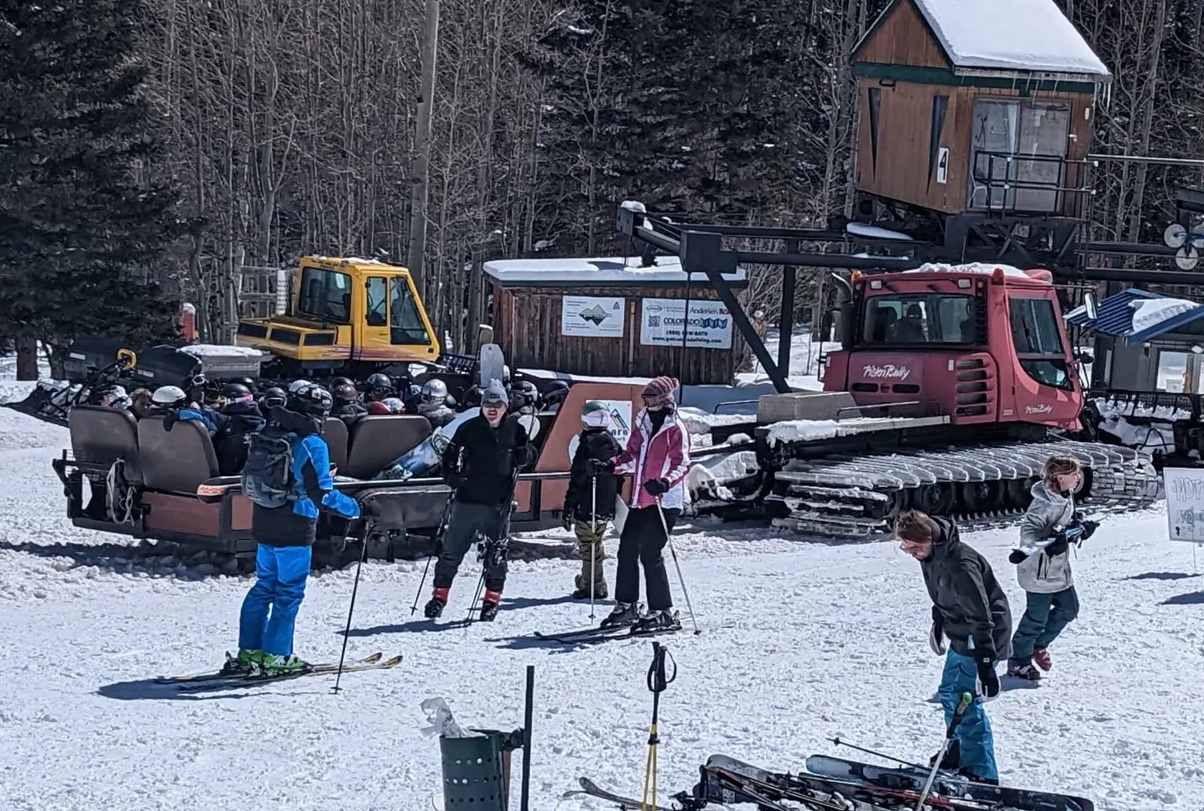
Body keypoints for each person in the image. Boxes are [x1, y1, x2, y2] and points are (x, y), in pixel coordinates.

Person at [223, 383, 362, 676]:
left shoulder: (269, 431)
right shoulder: (312, 443)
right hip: (296, 525)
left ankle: (249, 652)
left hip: (264, 518)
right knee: (288, 592)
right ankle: (277, 656)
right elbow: (322, 494)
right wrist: (356, 508)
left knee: (264, 587)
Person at [896, 509, 1011, 785]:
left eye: (915, 547)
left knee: (964, 700)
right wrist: (939, 620)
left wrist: (986, 662)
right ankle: (959, 750)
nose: (912, 554)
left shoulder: (960, 563)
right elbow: (943, 593)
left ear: (931, 538)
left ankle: (981, 771)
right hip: (961, 631)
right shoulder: (931, 554)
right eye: (906, 548)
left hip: (983, 635)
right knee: (949, 691)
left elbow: (981, 614)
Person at [423, 380, 535, 622]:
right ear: (482, 406)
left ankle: (491, 600)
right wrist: (451, 476)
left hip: (498, 503)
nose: (492, 409)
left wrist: (524, 455)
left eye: (497, 404)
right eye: (487, 404)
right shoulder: (469, 428)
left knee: (496, 554)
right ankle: (439, 597)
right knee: (451, 551)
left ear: (505, 406)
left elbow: (528, 455)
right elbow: (449, 457)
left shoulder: (515, 429)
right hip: (467, 500)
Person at [600, 376, 690, 633]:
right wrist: (611, 466)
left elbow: (682, 463)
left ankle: (661, 611)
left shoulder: (675, 428)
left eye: (650, 399)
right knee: (627, 549)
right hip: (641, 498)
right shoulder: (643, 423)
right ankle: (627, 605)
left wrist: (665, 482)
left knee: (650, 552)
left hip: (664, 500)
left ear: (663, 400)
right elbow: (632, 456)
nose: (646, 403)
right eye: (645, 399)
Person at [1005, 456, 1098, 681]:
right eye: (1073, 474)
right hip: (1039, 572)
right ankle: (1019, 660)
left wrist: (1079, 528)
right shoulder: (1043, 503)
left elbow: (1065, 523)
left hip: (1058, 570)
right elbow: (1028, 532)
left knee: (1069, 608)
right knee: (1036, 618)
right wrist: (1048, 543)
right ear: (1059, 477)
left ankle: (1038, 645)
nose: (1078, 478)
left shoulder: (1066, 495)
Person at [562, 401, 623, 599]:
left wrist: (569, 506)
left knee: (588, 545)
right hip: (605, 504)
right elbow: (620, 474)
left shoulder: (586, 445)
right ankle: (594, 581)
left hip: (587, 504)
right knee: (596, 542)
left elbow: (578, 479)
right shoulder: (614, 444)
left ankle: (591, 585)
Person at [212, 382, 266, 475]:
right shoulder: (264, 425)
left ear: (232, 401)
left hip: (226, 478)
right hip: (257, 478)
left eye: (222, 400)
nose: (219, 403)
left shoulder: (222, 423)